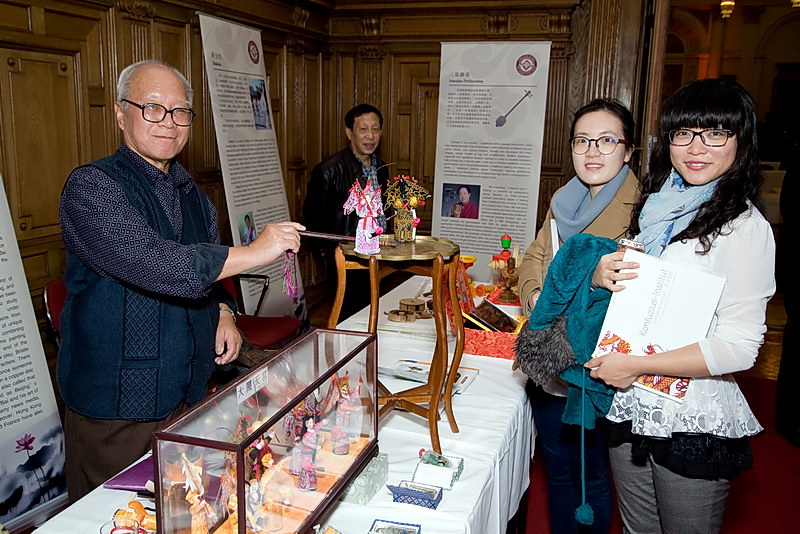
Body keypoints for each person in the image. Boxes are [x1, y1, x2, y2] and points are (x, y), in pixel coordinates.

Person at [58, 60, 304, 501]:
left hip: (186, 395)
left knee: (185, 511)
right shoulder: (92, 187)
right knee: (116, 518)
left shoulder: (193, 196)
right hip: (117, 411)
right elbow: (157, 264)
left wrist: (224, 312)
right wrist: (255, 252)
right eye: (153, 108)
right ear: (120, 113)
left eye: (180, 111)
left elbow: (209, 280)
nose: (169, 122)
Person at [588, 79, 775, 533]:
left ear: (741, 141)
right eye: (684, 133)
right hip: (632, 400)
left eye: (715, 133)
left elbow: (740, 346)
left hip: (690, 414)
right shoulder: (659, 208)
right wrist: (602, 274)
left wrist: (635, 365)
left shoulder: (744, 227)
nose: (696, 148)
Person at [517, 98, 638, 534]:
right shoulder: (564, 200)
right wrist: (536, 297)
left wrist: (574, 288)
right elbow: (533, 258)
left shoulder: (641, 212)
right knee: (557, 470)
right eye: (582, 141)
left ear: (628, 150)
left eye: (606, 141)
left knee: (590, 477)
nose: (592, 151)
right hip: (548, 359)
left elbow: (627, 295)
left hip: (592, 369)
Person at [303, 103, 389, 237]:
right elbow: (313, 222)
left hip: (380, 245)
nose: (370, 136)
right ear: (349, 133)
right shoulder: (328, 170)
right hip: (345, 247)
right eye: (363, 129)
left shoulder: (382, 167)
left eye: (375, 129)